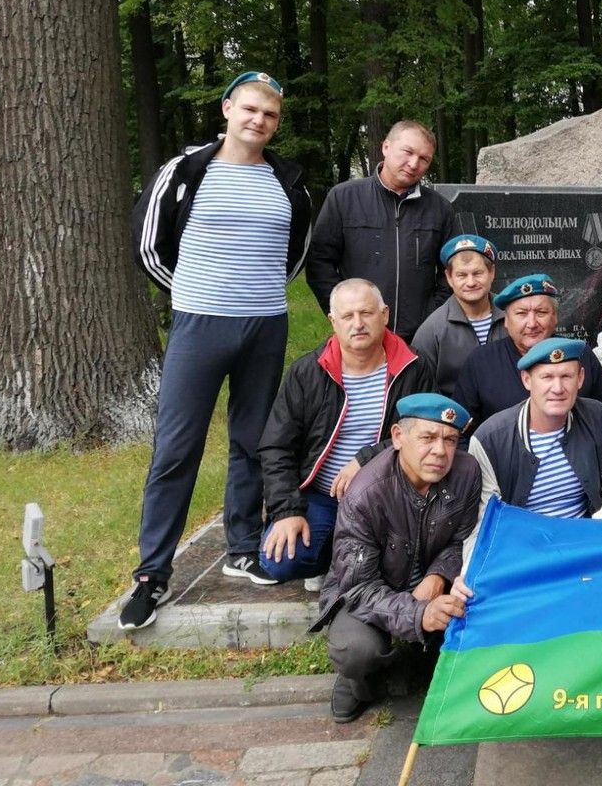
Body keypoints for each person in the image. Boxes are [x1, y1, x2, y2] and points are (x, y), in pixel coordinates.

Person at [122, 70, 312, 631]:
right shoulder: (185, 172)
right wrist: (190, 295)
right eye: (250, 109)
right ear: (228, 108)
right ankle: (152, 573)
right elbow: (148, 245)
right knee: (177, 448)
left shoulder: (288, 182)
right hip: (200, 323)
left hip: (264, 325)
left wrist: (262, 297)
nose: (258, 120)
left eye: (270, 115)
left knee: (253, 441)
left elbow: (294, 252)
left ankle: (242, 547)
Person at [310, 394, 481, 723]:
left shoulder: (467, 472)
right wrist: (419, 614)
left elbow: (463, 538)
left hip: (434, 581)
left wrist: (438, 577)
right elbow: (358, 588)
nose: (440, 452)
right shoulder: (364, 494)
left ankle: (421, 657)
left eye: (450, 440)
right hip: (368, 587)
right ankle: (357, 682)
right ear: (399, 437)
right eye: (428, 438)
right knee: (357, 651)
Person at [257, 279, 436, 584]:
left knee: (408, 562)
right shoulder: (307, 372)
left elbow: (427, 435)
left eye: (366, 313)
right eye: (347, 316)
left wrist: (367, 460)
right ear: (332, 322)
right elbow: (276, 446)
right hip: (322, 493)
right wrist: (287, 511)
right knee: (282, 562)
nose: (358, 324)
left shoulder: (414, 367)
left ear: (385, 315)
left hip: (386, 492)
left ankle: (348, 560)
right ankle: (338, 558)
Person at [465, 337, 602, 561]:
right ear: (527, 380)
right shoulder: (490, 438)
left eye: (566, 376)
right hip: (526, 552)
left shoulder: (598, 416)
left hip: (590, 538)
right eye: (547, 377)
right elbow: (485, 522)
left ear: (580, 378)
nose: (558, 388)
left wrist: (586, 533)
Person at [305, 120, 455, 341]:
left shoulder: (439, 208)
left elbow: (451, 270)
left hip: (420, 335)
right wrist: (344, 312)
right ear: (386, 147)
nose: (414, 164)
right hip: (358, 333)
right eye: (408, 152)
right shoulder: (344, 198)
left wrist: (433, 314)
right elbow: (319, 263)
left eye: (424, 159)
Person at [453, 274, 602, 430]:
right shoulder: (481, 362)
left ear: (555, 317)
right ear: (506, 320)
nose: (532, 323)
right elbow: (460, 431)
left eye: (541, 312)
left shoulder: (581, 355)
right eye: (521, 313)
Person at [410, 234, 506, 396]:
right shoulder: (432, 331)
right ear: (449, 277)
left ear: (491, 273)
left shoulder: (513, 315)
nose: (471, 282)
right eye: (462, 275)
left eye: (477, 273)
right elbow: (422, 389)